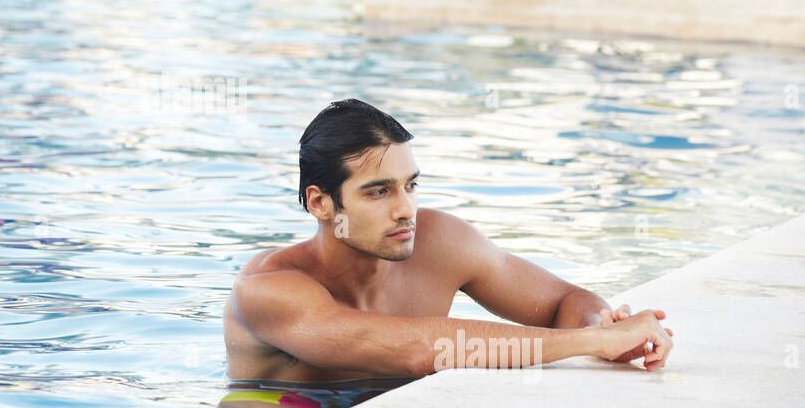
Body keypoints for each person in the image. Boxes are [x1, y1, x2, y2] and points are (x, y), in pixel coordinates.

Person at [223, 98, 675, 388]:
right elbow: (423, 350)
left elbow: (561, 301)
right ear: (321, 203)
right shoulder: (269, 290)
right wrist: (593, 341)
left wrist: (603, 321)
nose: (406, 209)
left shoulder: (440, 242)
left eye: (411, 185)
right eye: (379, 191)